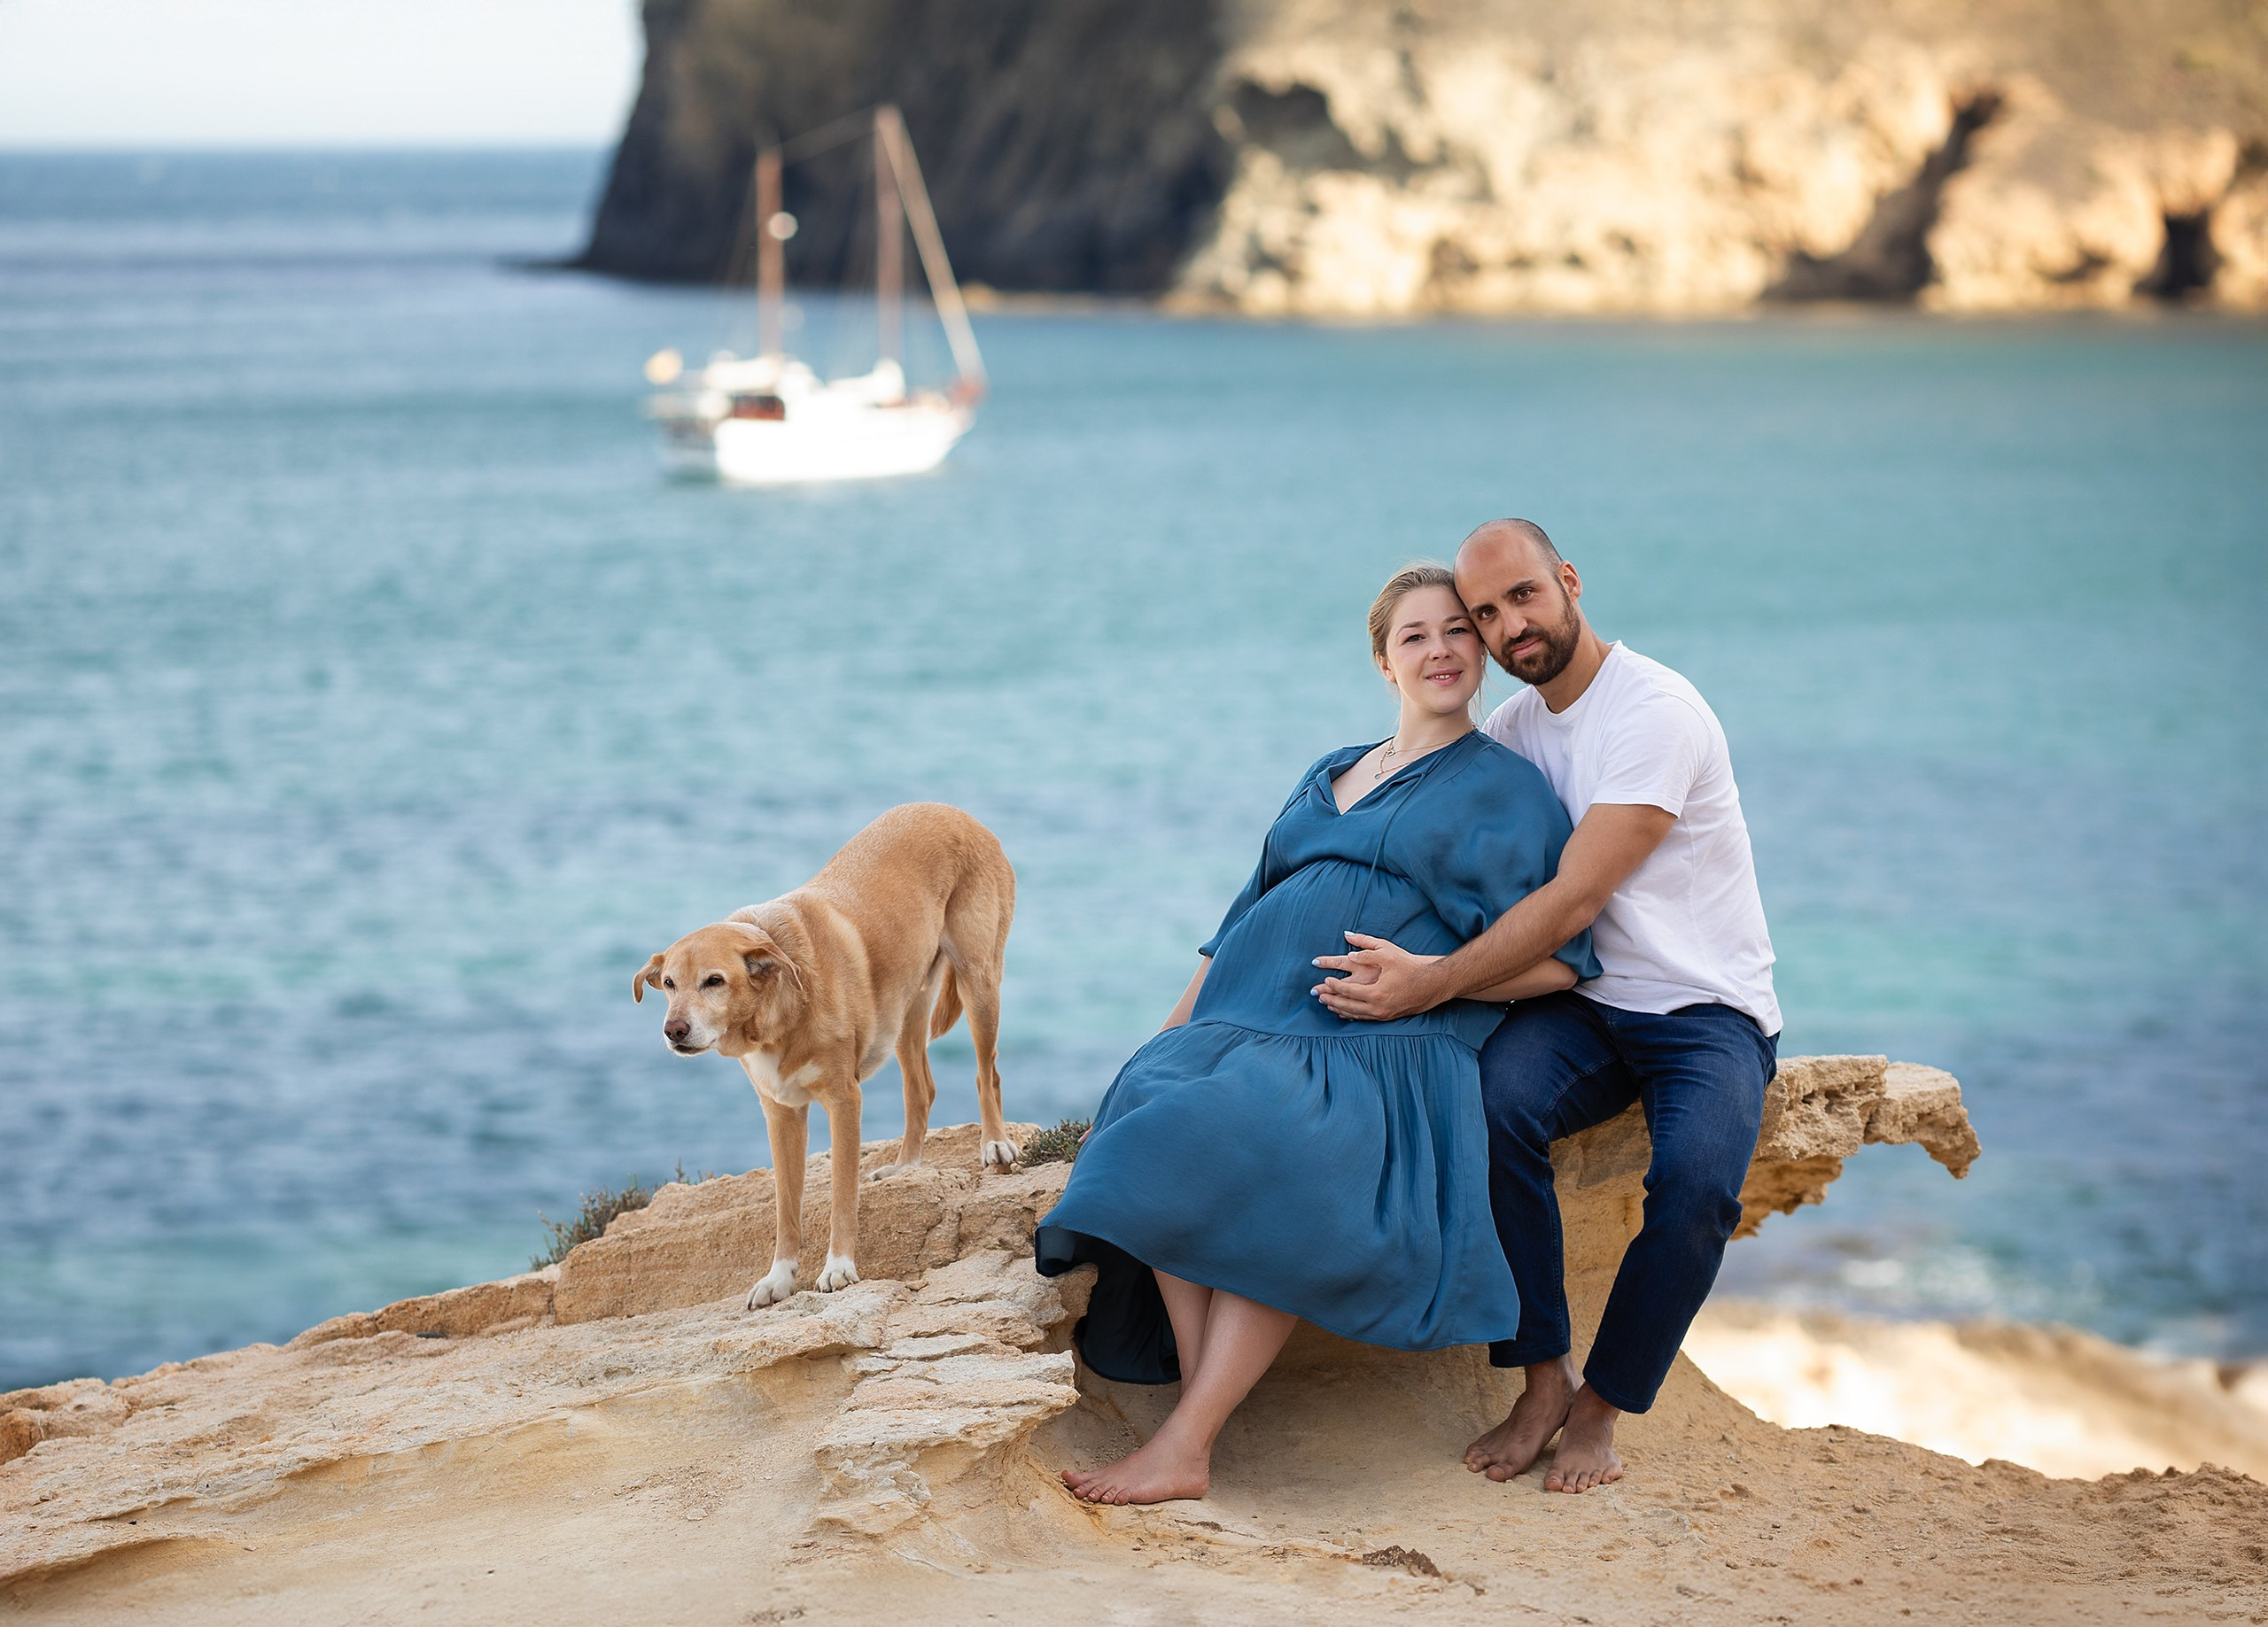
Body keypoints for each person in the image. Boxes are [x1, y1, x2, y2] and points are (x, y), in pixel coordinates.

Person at [1035, 565, 1600, 1506]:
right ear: (1384, 661)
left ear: (1483, 651)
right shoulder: (1327, 769)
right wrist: (1163, 1041)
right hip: (1243, 1019)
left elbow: (1562, 960)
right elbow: (1235, 924)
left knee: (1280, 1141)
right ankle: (1198, 1395)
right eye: (1416, 635)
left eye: (1460, 630)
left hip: (1370, 1047)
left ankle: (1186, 1441)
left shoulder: (1506, 792)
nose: (1442, 649)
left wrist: (1422, 993)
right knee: (1151, 1109)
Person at [1316, 518, 1780, 1495]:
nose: (1507, 626)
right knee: (1488, 1111)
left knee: (1696, 1191)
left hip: (1704, 1011)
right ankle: (1540, 1377)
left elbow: (1572, 899)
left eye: (1522, 596)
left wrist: (1430, 981)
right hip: (1587, 1003)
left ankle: (1601, 1405)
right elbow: (1446, 840)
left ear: (1568, 581)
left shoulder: (1655, 711)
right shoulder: (1517, 730)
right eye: (1484, 614)